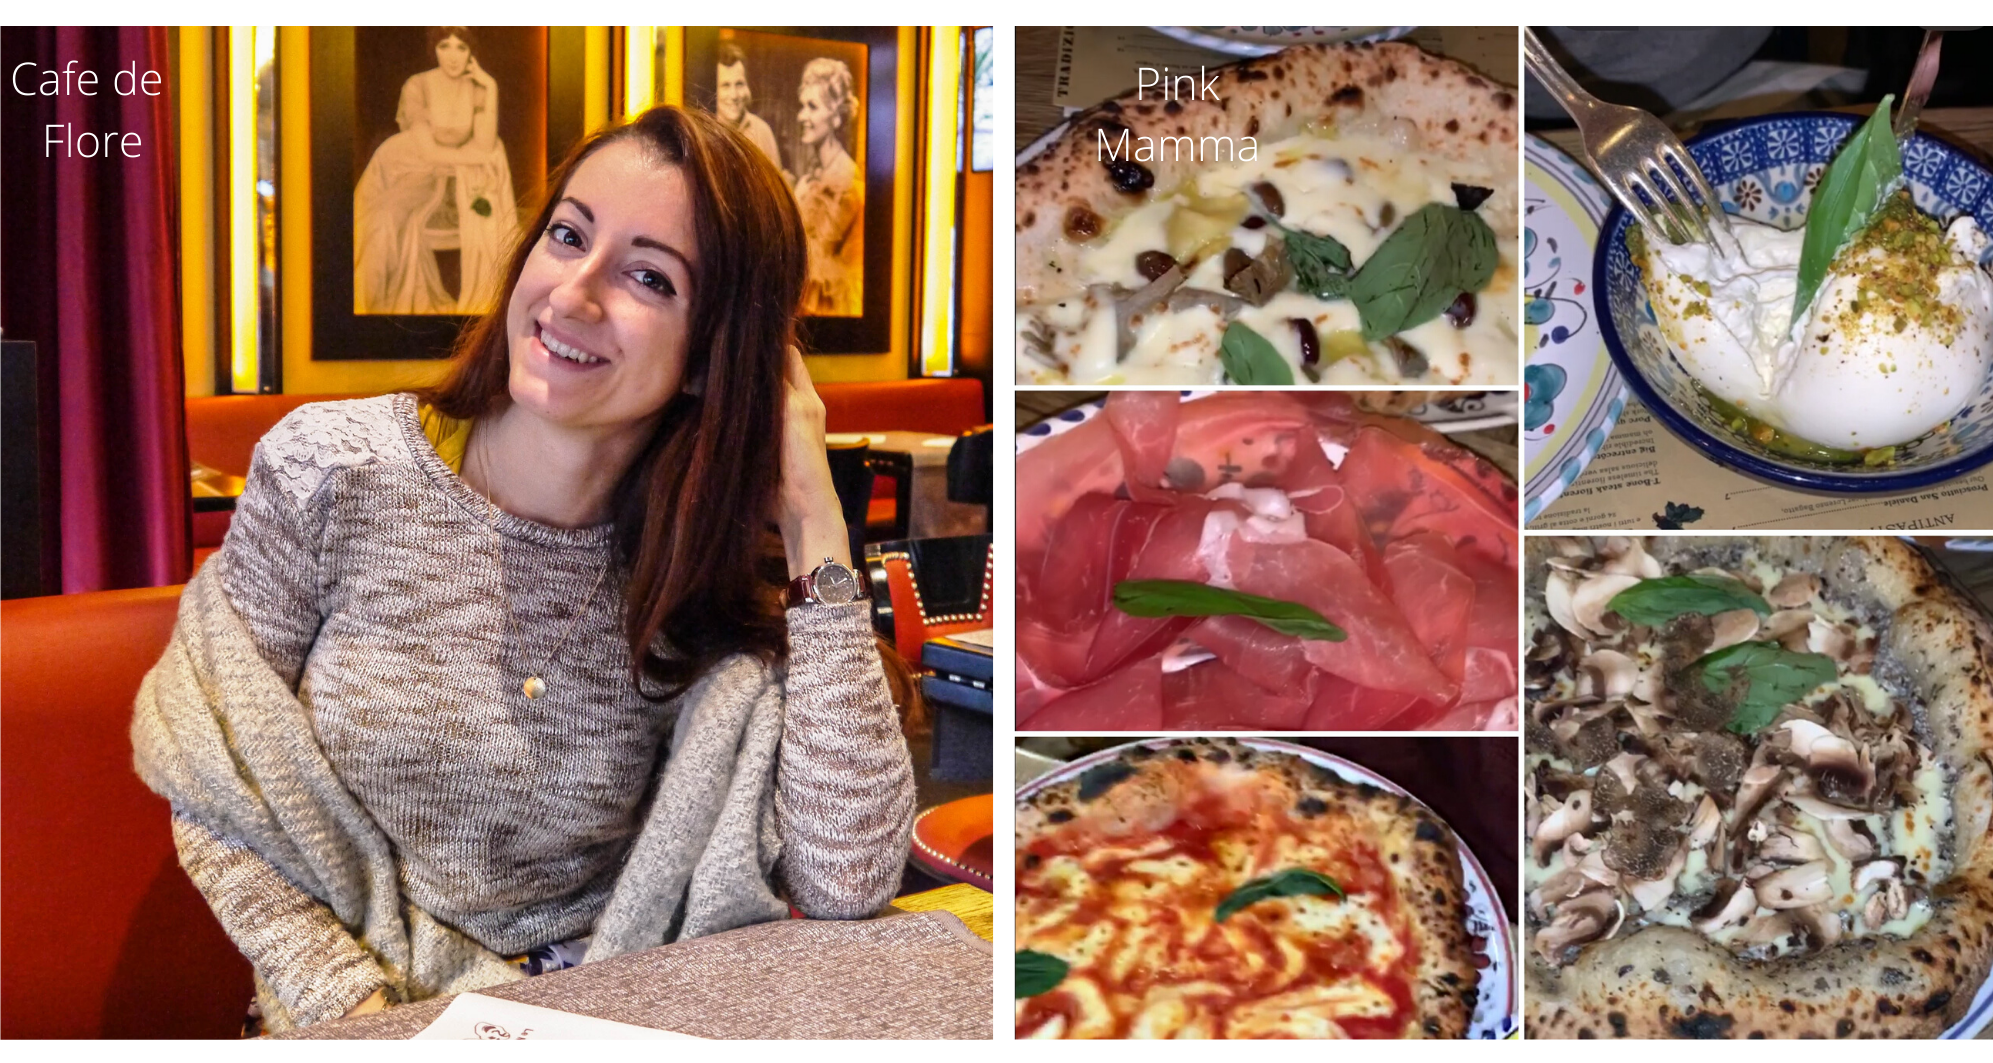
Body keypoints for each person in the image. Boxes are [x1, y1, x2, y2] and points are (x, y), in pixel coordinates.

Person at [133, 105, 917, 1034]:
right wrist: (367, 1012)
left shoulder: (690, 569)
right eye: (568, 235)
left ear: (715, 354)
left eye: (647, 277)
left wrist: (812, 517)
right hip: (346, 1015)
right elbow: (214, 775)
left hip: (605, 1012)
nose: (573, 294)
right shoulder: (332, 469)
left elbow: (848, 874)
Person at [353, 26, 520, 315]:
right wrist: (475, 159)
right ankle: (368, 310)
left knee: (488, 219)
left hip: (449, 168)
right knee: (383, 220)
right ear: (434, 49)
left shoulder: (479, 88)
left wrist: (490, 87)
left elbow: (485, 143)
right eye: (445, 46)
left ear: (471, 52)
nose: (453, 55)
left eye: (461, 47)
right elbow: (430, 152)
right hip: (406, 165)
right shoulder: (417, 85)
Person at [793, 57, 863, 317]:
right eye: (803, 106)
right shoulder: (815, 174)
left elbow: (812, 260)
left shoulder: (844, 180)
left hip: (829, 310)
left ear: (835, 117)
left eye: (812, 107)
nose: (802, 116)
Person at [715, 41, 783, 172]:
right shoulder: (703, 130)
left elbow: (776, 189)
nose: (734, 95)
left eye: (739, 84)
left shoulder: (763, 131)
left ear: (747, 86)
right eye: (725, 85)